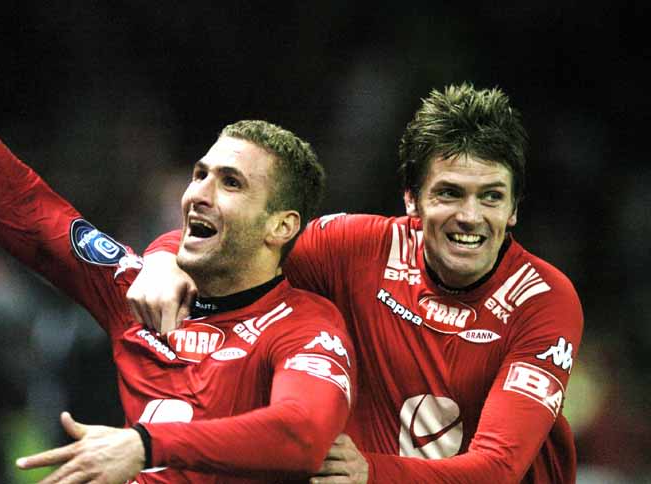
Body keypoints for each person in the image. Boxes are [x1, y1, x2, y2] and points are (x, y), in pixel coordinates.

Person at [0, 1, 358, 483]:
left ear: (281, 226)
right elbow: (19, 207)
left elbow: (301, 434)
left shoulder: (304, 327)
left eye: (231, 183)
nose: (198, 195)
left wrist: (144, 445)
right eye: (199, 174)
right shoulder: (137, 290)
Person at [132, 84, 584, 481]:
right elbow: (248, 244)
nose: (470, 216)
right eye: (449, 193)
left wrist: (370, 473)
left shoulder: (543, 300)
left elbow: (498, 469)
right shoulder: (355, 249)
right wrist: (164, 258)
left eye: (491, 197)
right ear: (412, 200)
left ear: (514, 209)